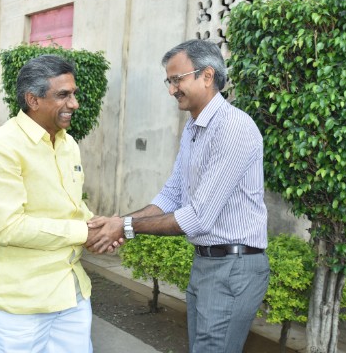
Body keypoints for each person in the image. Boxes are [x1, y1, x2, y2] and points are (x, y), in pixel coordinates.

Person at [87, 39, 270, 353]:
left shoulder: (233, 128)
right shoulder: (194, 128)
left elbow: (197, 217)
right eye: (168, 81)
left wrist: (127, 228)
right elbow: (172, 194)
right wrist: (121, 221)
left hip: (233, 268)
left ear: (207, 76)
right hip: (207, 264)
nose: (171, 89)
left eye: (177, 79)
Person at [0, 54, 107, 353]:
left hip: (72, 293)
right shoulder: (0, 148)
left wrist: (99, 227)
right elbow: (8, 228)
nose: (74, 104)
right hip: (22, 303)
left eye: (74, 94)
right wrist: (85, 233)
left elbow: (71, 208)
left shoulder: (68, 144)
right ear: (33, 100)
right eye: (63, 95)